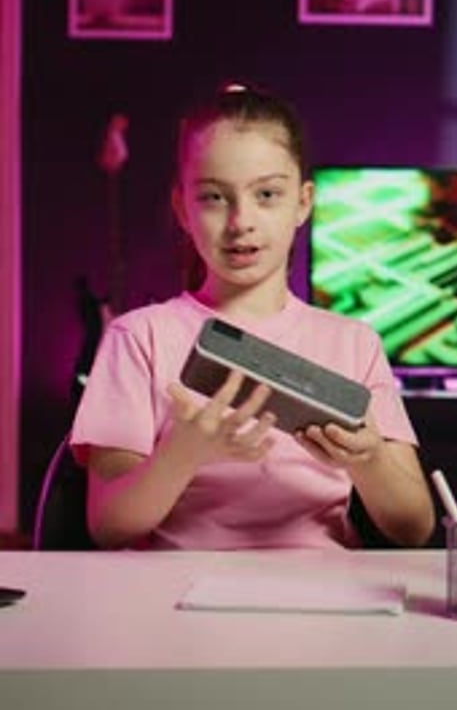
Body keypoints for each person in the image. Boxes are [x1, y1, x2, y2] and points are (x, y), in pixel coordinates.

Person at [70, 83, 436, 550]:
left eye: (266, 194)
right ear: (182, 208)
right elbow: (109, 524)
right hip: (172, 600)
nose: (241, 220)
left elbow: (414, 527)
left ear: (303, 203)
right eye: (213, 198)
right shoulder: (139, 336)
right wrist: (183, 453)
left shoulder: (354, 343)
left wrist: (369, 460)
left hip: (326, 598)